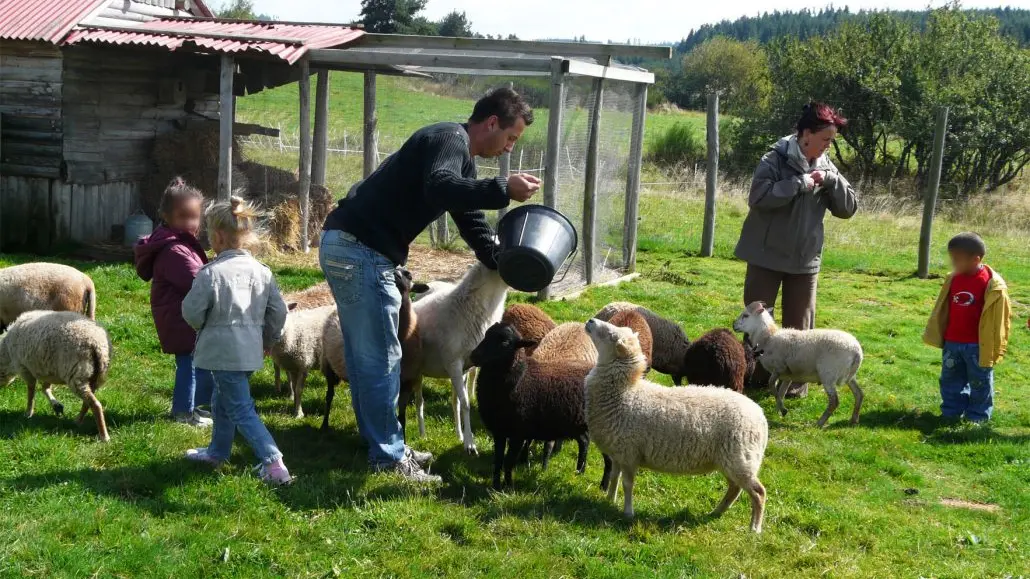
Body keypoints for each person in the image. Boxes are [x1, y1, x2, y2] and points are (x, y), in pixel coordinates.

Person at [320, 87, 540, 482]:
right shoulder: (448, 139)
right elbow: (440, 186)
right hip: (360, 250)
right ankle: (387, 457)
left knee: (369, 355)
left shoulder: (458, 158)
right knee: (381, 357)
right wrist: (503, 189)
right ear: (491, 123)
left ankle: (383, 444)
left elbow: (472, 223)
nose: (509, 149)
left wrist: (508, 262)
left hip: (355, 247)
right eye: (510, 137)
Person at [734, 102, 858, 397]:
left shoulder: (827, 165)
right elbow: (759, 197)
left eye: (831, 141)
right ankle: (751, 376)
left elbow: (849, 208)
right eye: (825, 139)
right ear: (806, 134)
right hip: (766, 255)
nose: (829, 146)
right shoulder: (774, 160)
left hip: (804, 260)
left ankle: (793, 385)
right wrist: (799, 184)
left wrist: (832, 181)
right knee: (758, 320)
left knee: (799, 327)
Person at [182, 197, 292, 485]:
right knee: (222, 399)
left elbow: (191, 311)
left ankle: (274, 463)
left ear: (217, 236)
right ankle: (217, 452)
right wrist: (268, 339)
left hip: (222, 352)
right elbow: (278, 312)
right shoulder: (263, 272)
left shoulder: (211, 273)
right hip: (250, 351)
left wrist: (202, 326)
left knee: (241, 408)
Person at [133, 177, 214, 427]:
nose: (190, 223)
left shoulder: (179, 243)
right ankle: (182, 412)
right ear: (166, 216)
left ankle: (197, 408)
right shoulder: (175, 250)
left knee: (198, 362)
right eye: (183, 216)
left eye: (194, 217)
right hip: (180, 318)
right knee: (189, 364)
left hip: (183, 315)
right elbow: (195, 282)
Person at [923, 233, 1011, 424]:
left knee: (980, 382)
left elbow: (1000, 321)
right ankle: (951, 412)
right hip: (952, 342)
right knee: (950, 380)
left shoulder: (993, 285)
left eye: (957, 259)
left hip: (978, 346)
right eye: (951, 258)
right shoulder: (953, 279)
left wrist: (996, 346)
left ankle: (977, 417)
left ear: (975, 259)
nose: (953, 263)